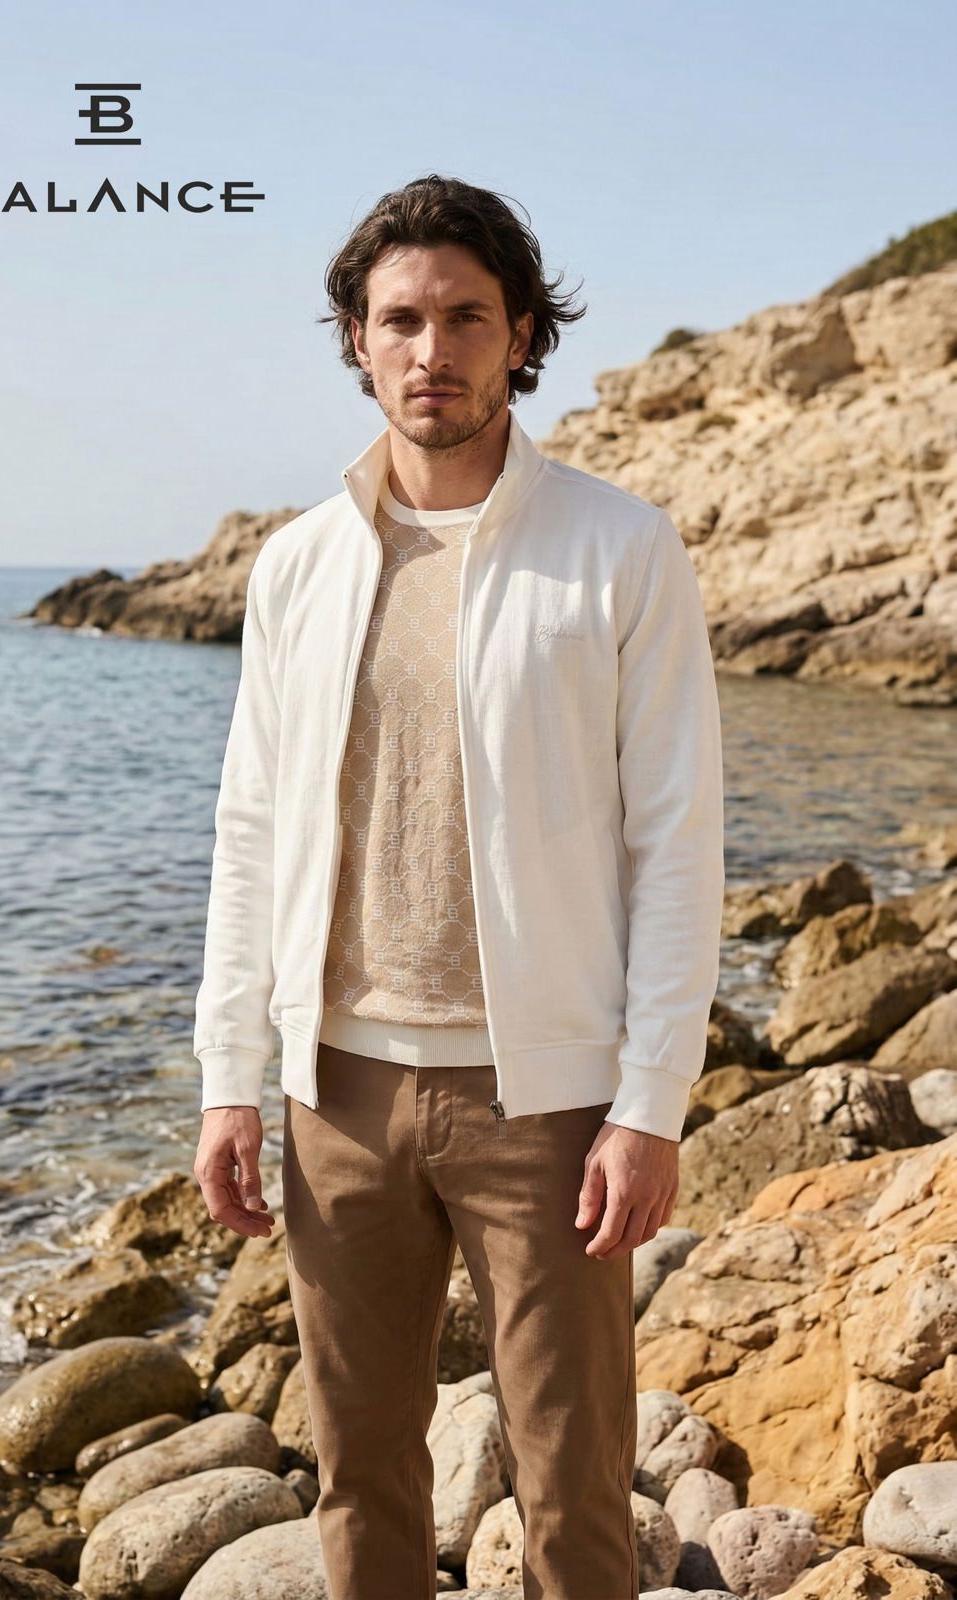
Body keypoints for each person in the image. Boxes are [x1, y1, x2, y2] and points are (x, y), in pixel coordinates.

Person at [193, 172, 725, 1600]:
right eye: (400, 320)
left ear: (522, 335)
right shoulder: (299, 565)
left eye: (466, 318)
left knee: (573, 1482)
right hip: (336, 1094)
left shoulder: (619, 548)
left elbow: (675, 841)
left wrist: (649, 1104)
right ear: (357, 340)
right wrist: (230, 1080)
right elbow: (252, 831)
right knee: (359, 1476)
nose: (431, 349)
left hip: (541, 1100)